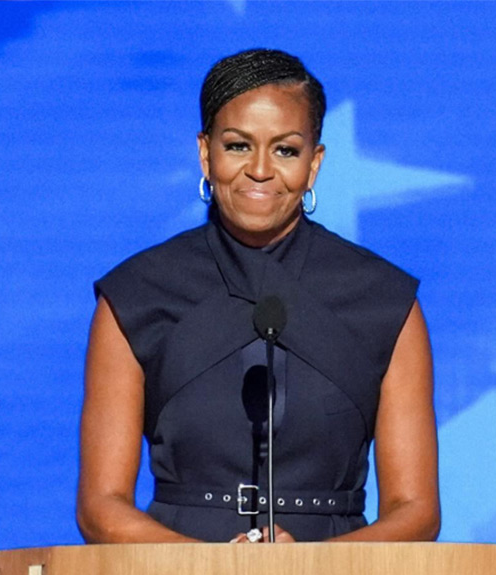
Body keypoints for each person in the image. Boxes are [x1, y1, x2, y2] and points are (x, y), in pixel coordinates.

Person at [77, 49, 440, 544]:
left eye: (286, 150)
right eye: (238, 146)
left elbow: (415, 511)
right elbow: (100, 507)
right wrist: (211, 573)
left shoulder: (385, 301)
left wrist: (309, 570)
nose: (261, 171)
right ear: (206, 154)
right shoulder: (136, 295)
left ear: (314, 163)